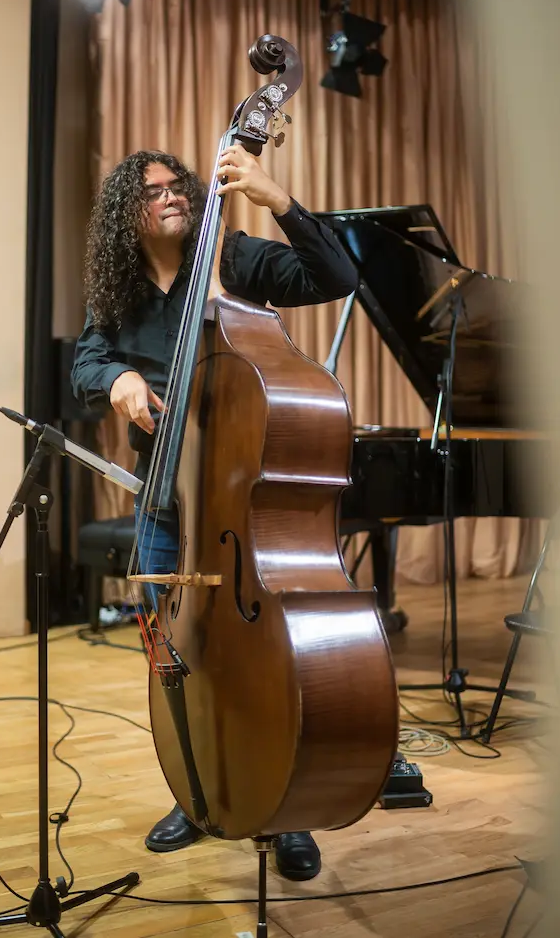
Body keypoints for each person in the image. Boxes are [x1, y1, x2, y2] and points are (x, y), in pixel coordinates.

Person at [71, 144, 358, 882]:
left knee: (270, 660)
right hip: (165, 498)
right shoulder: (118, 289)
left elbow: (335, 277)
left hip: (241, 502)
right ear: (125, 216)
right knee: (178, 660)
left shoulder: (234, 257)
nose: (170, 195)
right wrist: (118, 377)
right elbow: (85, 364)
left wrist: (275, 197)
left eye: (177, 185)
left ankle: (284, 809)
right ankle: (194, 792)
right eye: (152, 191)